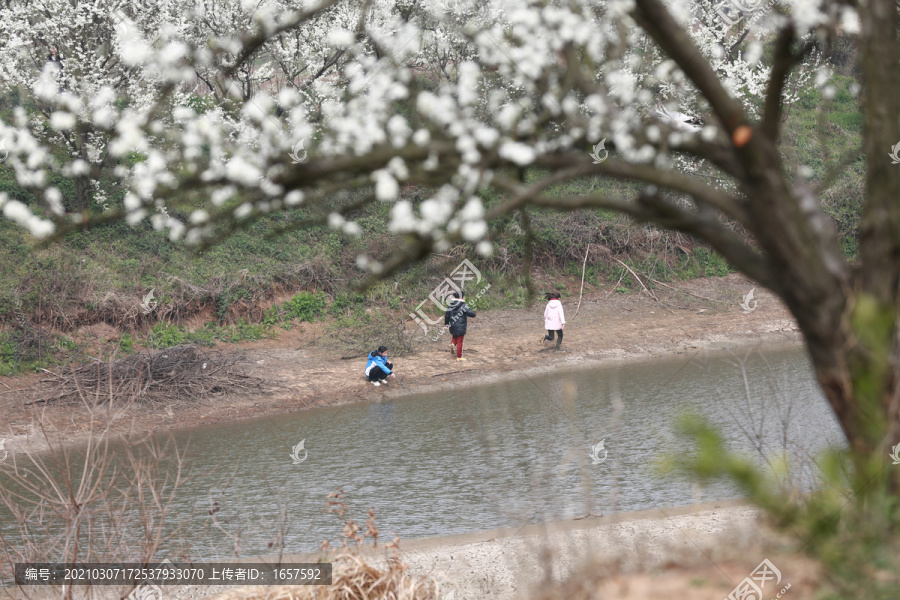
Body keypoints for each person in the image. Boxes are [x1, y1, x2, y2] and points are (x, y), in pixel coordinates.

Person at [445, 291, 476, 361]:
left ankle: (452, 344)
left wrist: (447, 324)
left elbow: (447, 315)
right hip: (461, 326)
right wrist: (474, 313)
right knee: (460, 341)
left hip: (452, 325)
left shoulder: (451, 305)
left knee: (455, 335)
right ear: (462, 297)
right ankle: (459, 357)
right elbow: (471, 314)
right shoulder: (464, 305)